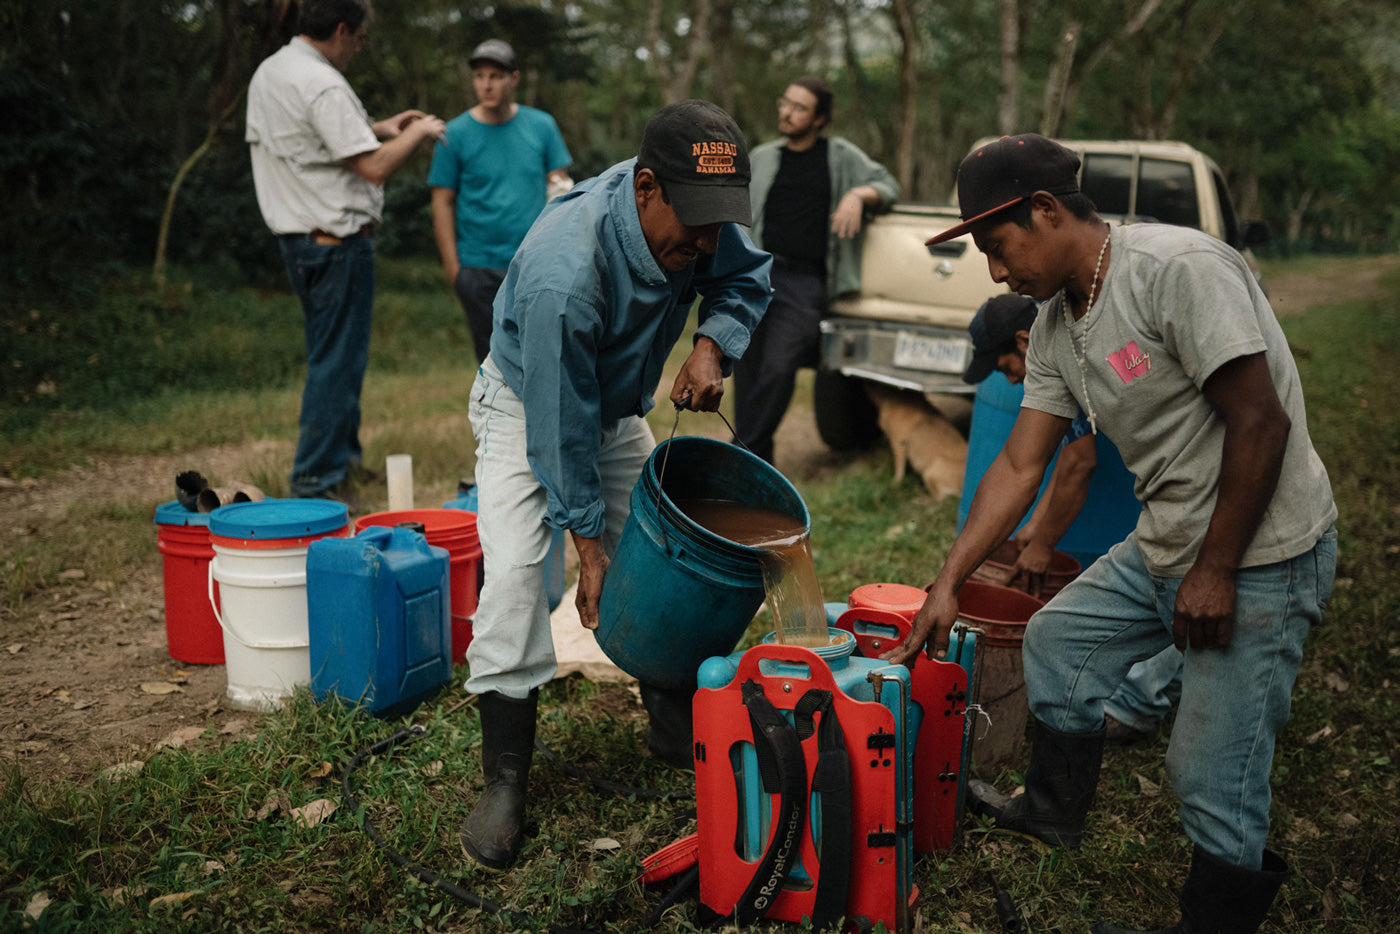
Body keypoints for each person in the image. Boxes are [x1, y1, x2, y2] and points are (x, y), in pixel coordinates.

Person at [885, 134, 1336, 934]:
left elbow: (1260, 423)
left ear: (1047, 211)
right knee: (1057, 642)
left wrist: (1217, 571)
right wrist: (946, 582)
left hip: (1262, 550)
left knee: (1209, 772)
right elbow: (1022, 465)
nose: (995, 271)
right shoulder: (1057, 322)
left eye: (999, 247)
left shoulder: (1176, 270)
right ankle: (1053, 811)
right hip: (1168, 539)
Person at [460, 100, 772, 871]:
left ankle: (671, 715)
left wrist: (709, 346)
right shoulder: (564, 274)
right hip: (528, 402)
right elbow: (559, 426)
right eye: (695, 224)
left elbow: (747, 275)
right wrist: (587, 545)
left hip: (614, 405)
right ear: (644, 188)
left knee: (670, 553)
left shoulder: (704, 219)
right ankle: (505, 777)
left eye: (717, 224)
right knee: (515, 581)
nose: (706, 242)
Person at [246, 0, 446, 499]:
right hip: (335, 244)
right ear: (340, 30)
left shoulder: (274, 71)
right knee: (336, 361)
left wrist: (379, 126)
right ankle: (316, 479)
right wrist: (419, 133)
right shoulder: (322, 83)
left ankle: (343, 461)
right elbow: (374, 168)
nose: (358, 48)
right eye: (358, 39)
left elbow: (312, 143)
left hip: (301, 240)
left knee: (338, 357)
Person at [964, 293, 1183, 744]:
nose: (1009, 380)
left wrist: (1044, 545)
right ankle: (1169, 680)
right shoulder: (1063, 337)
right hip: (1170, 460)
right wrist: (1033, 530)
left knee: (1178, 574)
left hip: (1186, 465)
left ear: (1025, 342)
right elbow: (1066, 456)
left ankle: (1136, 705)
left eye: (1006, 367)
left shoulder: (1067, 356)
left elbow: (1081, 465)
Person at [733, 76, 899, 464]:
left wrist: (858, 195)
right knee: (747, 372)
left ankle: (740, 456)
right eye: (785, 103)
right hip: (755, 274)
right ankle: (754, 464)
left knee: (778, 370)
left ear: (820, 118)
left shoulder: (840, 155)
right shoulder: (763, 156)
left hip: (805, 282)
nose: (786, 112)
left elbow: (888, 184)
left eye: (799, 108)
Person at [429, 39, 573, 364]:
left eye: (495, 75)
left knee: (543, 356)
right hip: (477, 267)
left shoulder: (542, 126)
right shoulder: (454, 134)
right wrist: (455, 270)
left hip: (533, 263)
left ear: (514, 79)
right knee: (492, 361)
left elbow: (561, 193)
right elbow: (442, 202)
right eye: (480, 76)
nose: (487, 84)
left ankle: (540, 416)